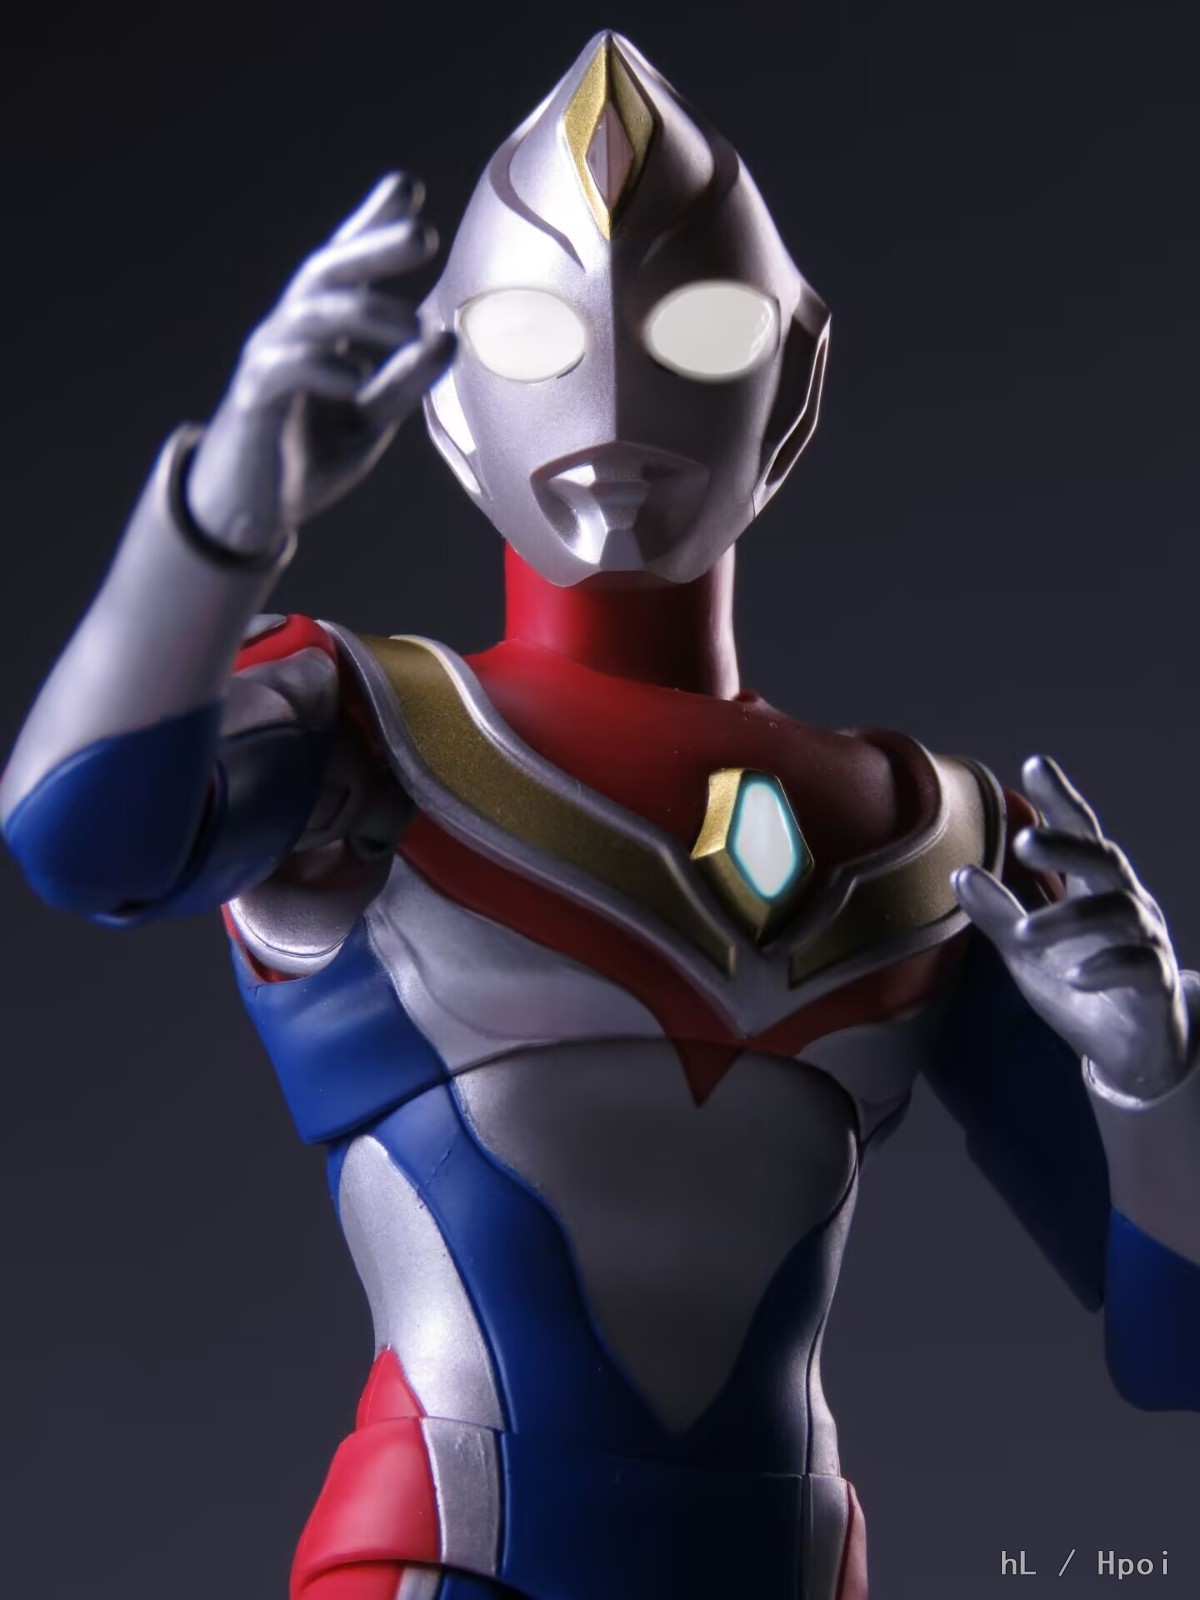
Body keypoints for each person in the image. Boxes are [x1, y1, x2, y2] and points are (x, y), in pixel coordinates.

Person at [3, 30, 1197, 1600]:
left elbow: (1175, 1351)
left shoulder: (933, 838)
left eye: (700, 325)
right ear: (445, 383)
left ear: (795, 373)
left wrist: (1157, 1076)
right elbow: (78, 837)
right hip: (453, 1559)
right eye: (530, 330)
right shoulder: (368, 734)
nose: (617, 395)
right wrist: (219, 521)